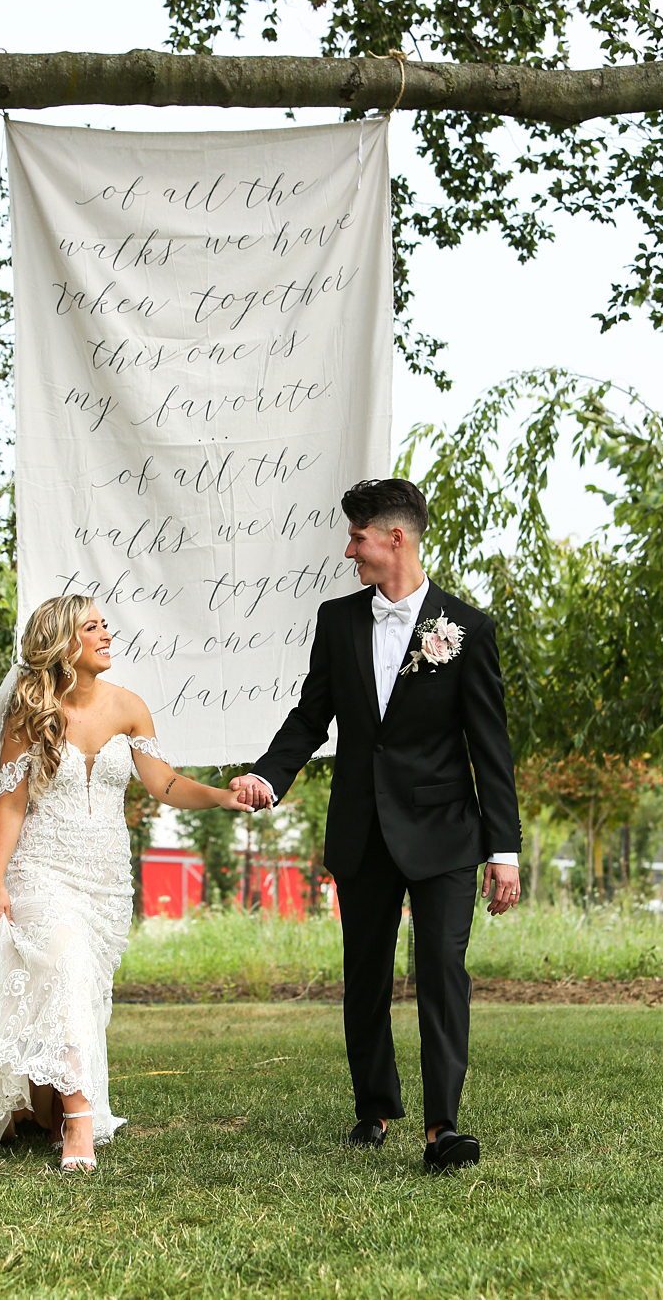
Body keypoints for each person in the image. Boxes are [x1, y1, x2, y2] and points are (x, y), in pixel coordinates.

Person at [0, 594, 252, 1172]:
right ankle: (80, 1120)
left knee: (80, 990)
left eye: (107, 625)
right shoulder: (30, 712)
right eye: (93, 627)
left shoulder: (130, 708)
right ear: (63, 644)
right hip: (41, 870)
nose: (108, 635)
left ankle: (44, 1103)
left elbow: (165, 784)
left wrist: (222, 796)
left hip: (106, 881)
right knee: (62, 967)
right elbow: (7, 805)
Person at [231, 478, 522, 1172]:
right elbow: (311, 716)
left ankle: (443, 1127)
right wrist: (270, 775)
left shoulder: (467, 629)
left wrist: (503, 850)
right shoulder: (336, 621)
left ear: (396, 538)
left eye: (357, 537)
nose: (349, 549)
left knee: (442, 969)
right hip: (363, 829)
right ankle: (375, 1108)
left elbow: (492, 747)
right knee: (364, 975)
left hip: (448, 832)